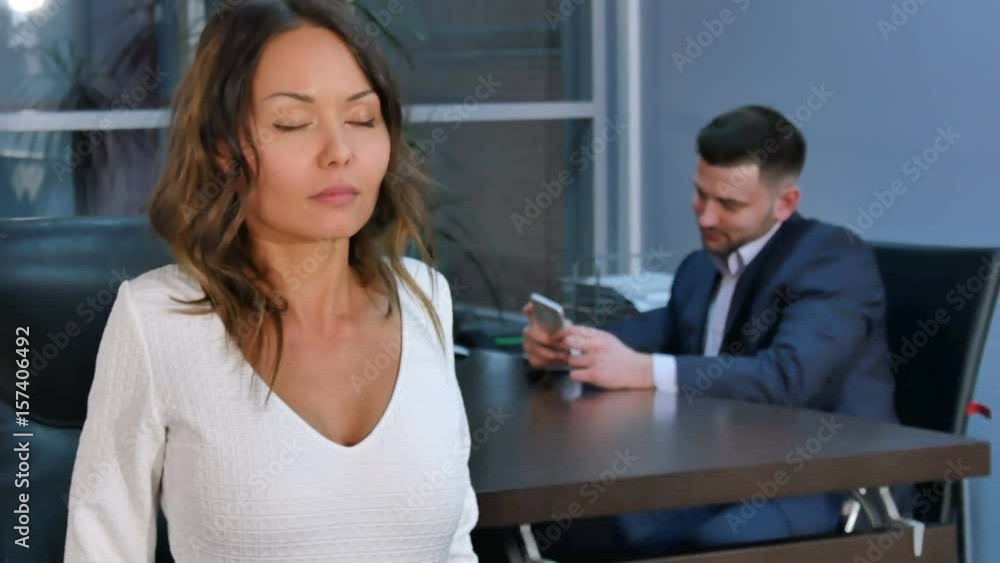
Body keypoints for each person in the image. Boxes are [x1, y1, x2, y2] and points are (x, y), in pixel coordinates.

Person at [64, 1, 478, 561]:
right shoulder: (157, 320)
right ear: (222, 150)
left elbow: (455, 545)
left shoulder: (425, 296)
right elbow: (101, 548)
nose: (340, 152)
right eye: (291, 123)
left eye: (362, 119)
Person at [522, 105, 898, 557]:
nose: (705, 218)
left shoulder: (833, 260)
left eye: (729, 205)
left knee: (701, 546)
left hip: (825, 481)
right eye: (701, 195)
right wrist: (567, 346)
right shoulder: (701, 269)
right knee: (573, 522)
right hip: (720, 472)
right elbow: (650, 333)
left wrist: (643, 370)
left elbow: (788, 377)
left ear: (785, 203)